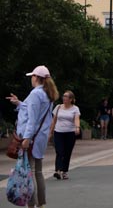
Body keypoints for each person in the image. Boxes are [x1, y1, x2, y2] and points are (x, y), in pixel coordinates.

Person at [6, 65, 59, 208]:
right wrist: (19, 103)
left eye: (32, 76)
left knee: (30, 172)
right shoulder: (48, 93)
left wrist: (27, 138)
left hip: (32, 138)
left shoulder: (36, 93)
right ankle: (40, 204)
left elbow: (32, 118)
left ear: (36, 77)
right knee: (38, 172)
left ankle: (32, 205)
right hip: (39, 137)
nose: (31, 79)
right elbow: (34, 112)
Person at [49, 89, 80, 181]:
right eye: (63, 96)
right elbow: (53, 121)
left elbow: (76, 119)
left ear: (71, 99)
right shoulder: (58, 107)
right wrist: (50, 132)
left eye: (66, 96)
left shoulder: (75, 108)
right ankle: (58, 170)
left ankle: (65, 171)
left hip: (70, 133)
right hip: (58, 132)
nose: (64, 98)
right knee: (59, 151)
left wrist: (77, 127)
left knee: (67, 152)